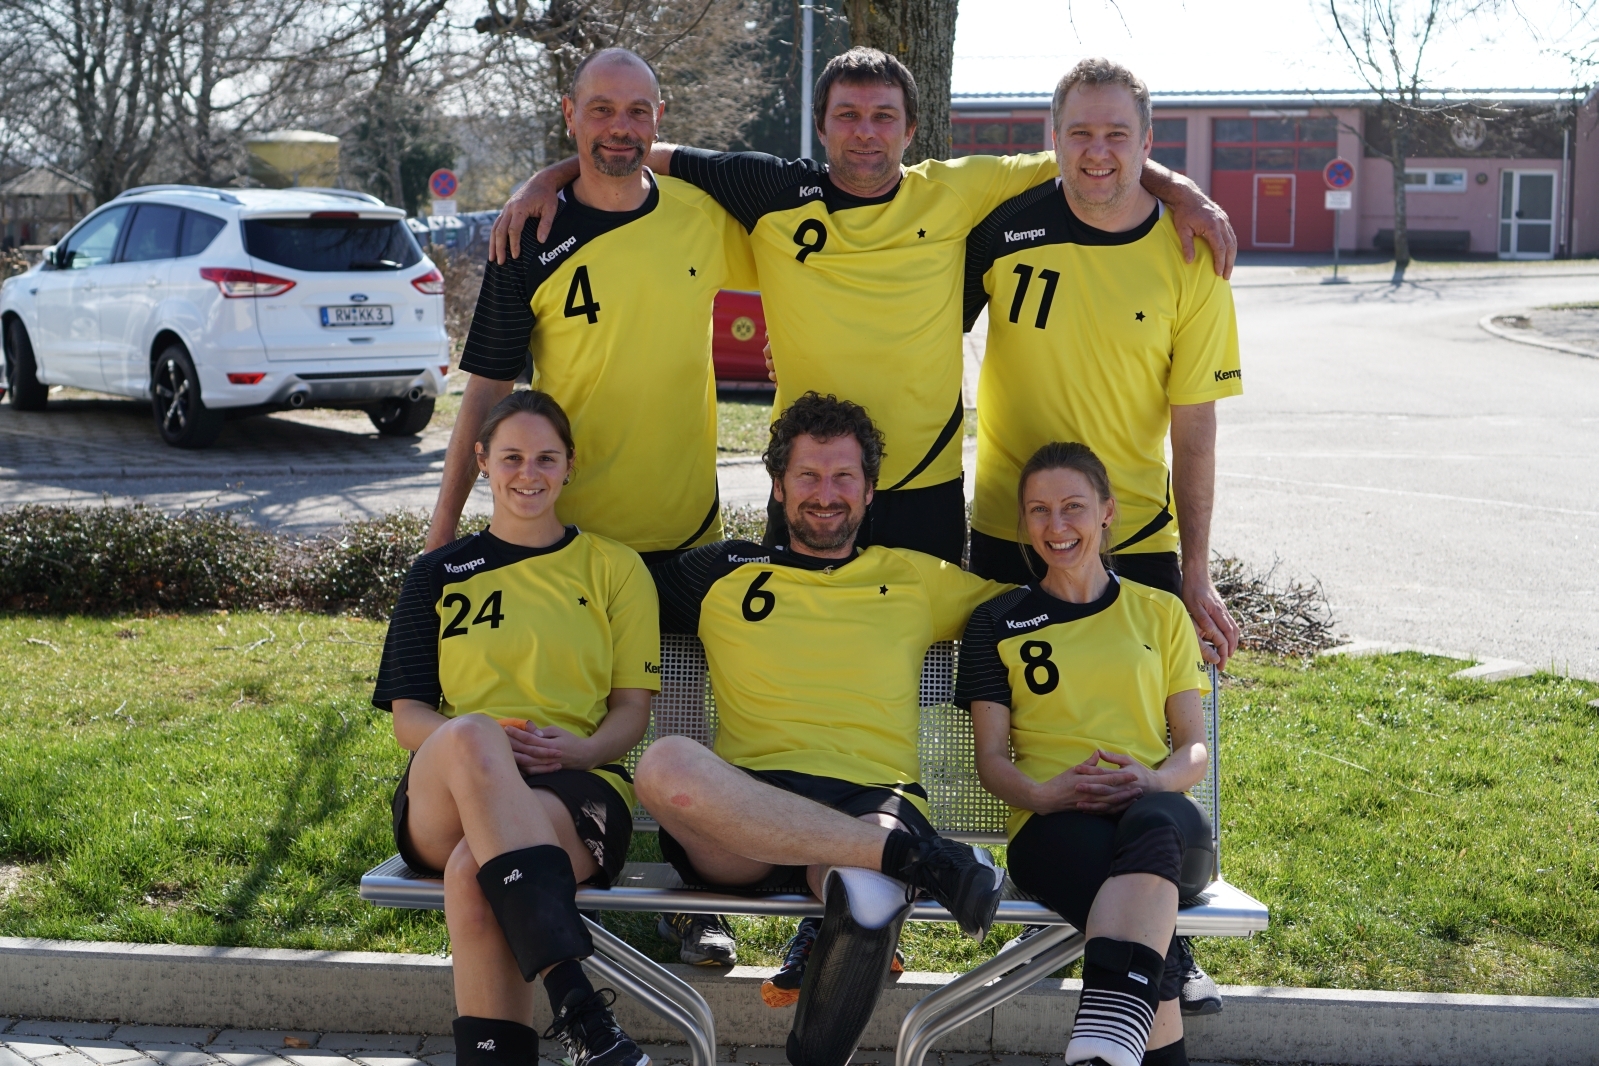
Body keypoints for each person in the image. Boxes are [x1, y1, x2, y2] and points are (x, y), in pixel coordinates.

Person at [491, 47, 1237, 566]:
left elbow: (1092, 159)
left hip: (924, 489)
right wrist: (543, 181)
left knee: (924, 675)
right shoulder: (770, 191)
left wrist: (1184, 192)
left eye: (883, 116)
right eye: (847, 115)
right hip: (809, 485)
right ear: (821, 126)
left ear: (911, 131)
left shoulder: (957, 191)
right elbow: (634, 149)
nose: (865, 132)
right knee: (798, 661)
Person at [425, 47, 755, 967]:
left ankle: (694, 907)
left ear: (660, 119)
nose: (620, 128)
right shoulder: (527, 233)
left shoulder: (698, 215)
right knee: (562, 729)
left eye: (638, 111)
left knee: (683, 728)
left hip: (682, 532)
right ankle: (559, 879)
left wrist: (557, 167)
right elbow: (486, 392)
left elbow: (791, 206)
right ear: (568, 113)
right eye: (600, 110)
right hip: (567, 541)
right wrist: (443, 530)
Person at [959, 58, 1242, 1011]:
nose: (1096, 152)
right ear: (1052, 137)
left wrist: (1194, 571)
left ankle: (1159, 938)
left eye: (1118, 134)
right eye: (1078, 131)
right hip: (1010, 528)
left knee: (1143, 745)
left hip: (1135, 534)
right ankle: (1098, 919)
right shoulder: (1002, 224)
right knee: (1034, 726)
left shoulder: (1190, 253)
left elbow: (1195, 426)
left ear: (1147, 143)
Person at [633, 392, 1011, 1066]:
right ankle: (921, 860)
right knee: (664, 765)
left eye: (843, 477)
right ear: (778, 487)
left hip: (871, 798)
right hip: (745, 812)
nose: (825, 494)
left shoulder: (911, 576)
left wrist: (1174, 609)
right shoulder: (721, 571)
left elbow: (1038, 611)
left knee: (868, 894)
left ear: (869, 491)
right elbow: (607, 594)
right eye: (807, 475)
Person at [376, 391, 661, 1066]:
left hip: (575, 784)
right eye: (510, 457)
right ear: (481, 461)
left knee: (475, 871)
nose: (527, 474)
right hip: (448, 789)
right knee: (473, 734)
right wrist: (485, 744)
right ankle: (576, 1002)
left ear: (569, 465)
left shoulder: (616, 568)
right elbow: (409, 719)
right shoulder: (436, 574)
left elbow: (632, 710)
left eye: (545, 458)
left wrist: (584, 749)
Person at [956, 442, 1214, 1066]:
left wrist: (1152, 781)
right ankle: (1117, 1028)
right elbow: (991, 759)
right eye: (1039, 510)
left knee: (1155, 827)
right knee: (1146, 928)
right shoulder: (996, 621)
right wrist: (1044, 795)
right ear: (1024, 521)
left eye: (1073, 506)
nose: (1057, 525)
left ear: (1107, 511)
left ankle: (1107, 1029)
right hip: (1054, 826)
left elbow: (1193, 748)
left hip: (1160, 819)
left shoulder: (1161, 611)